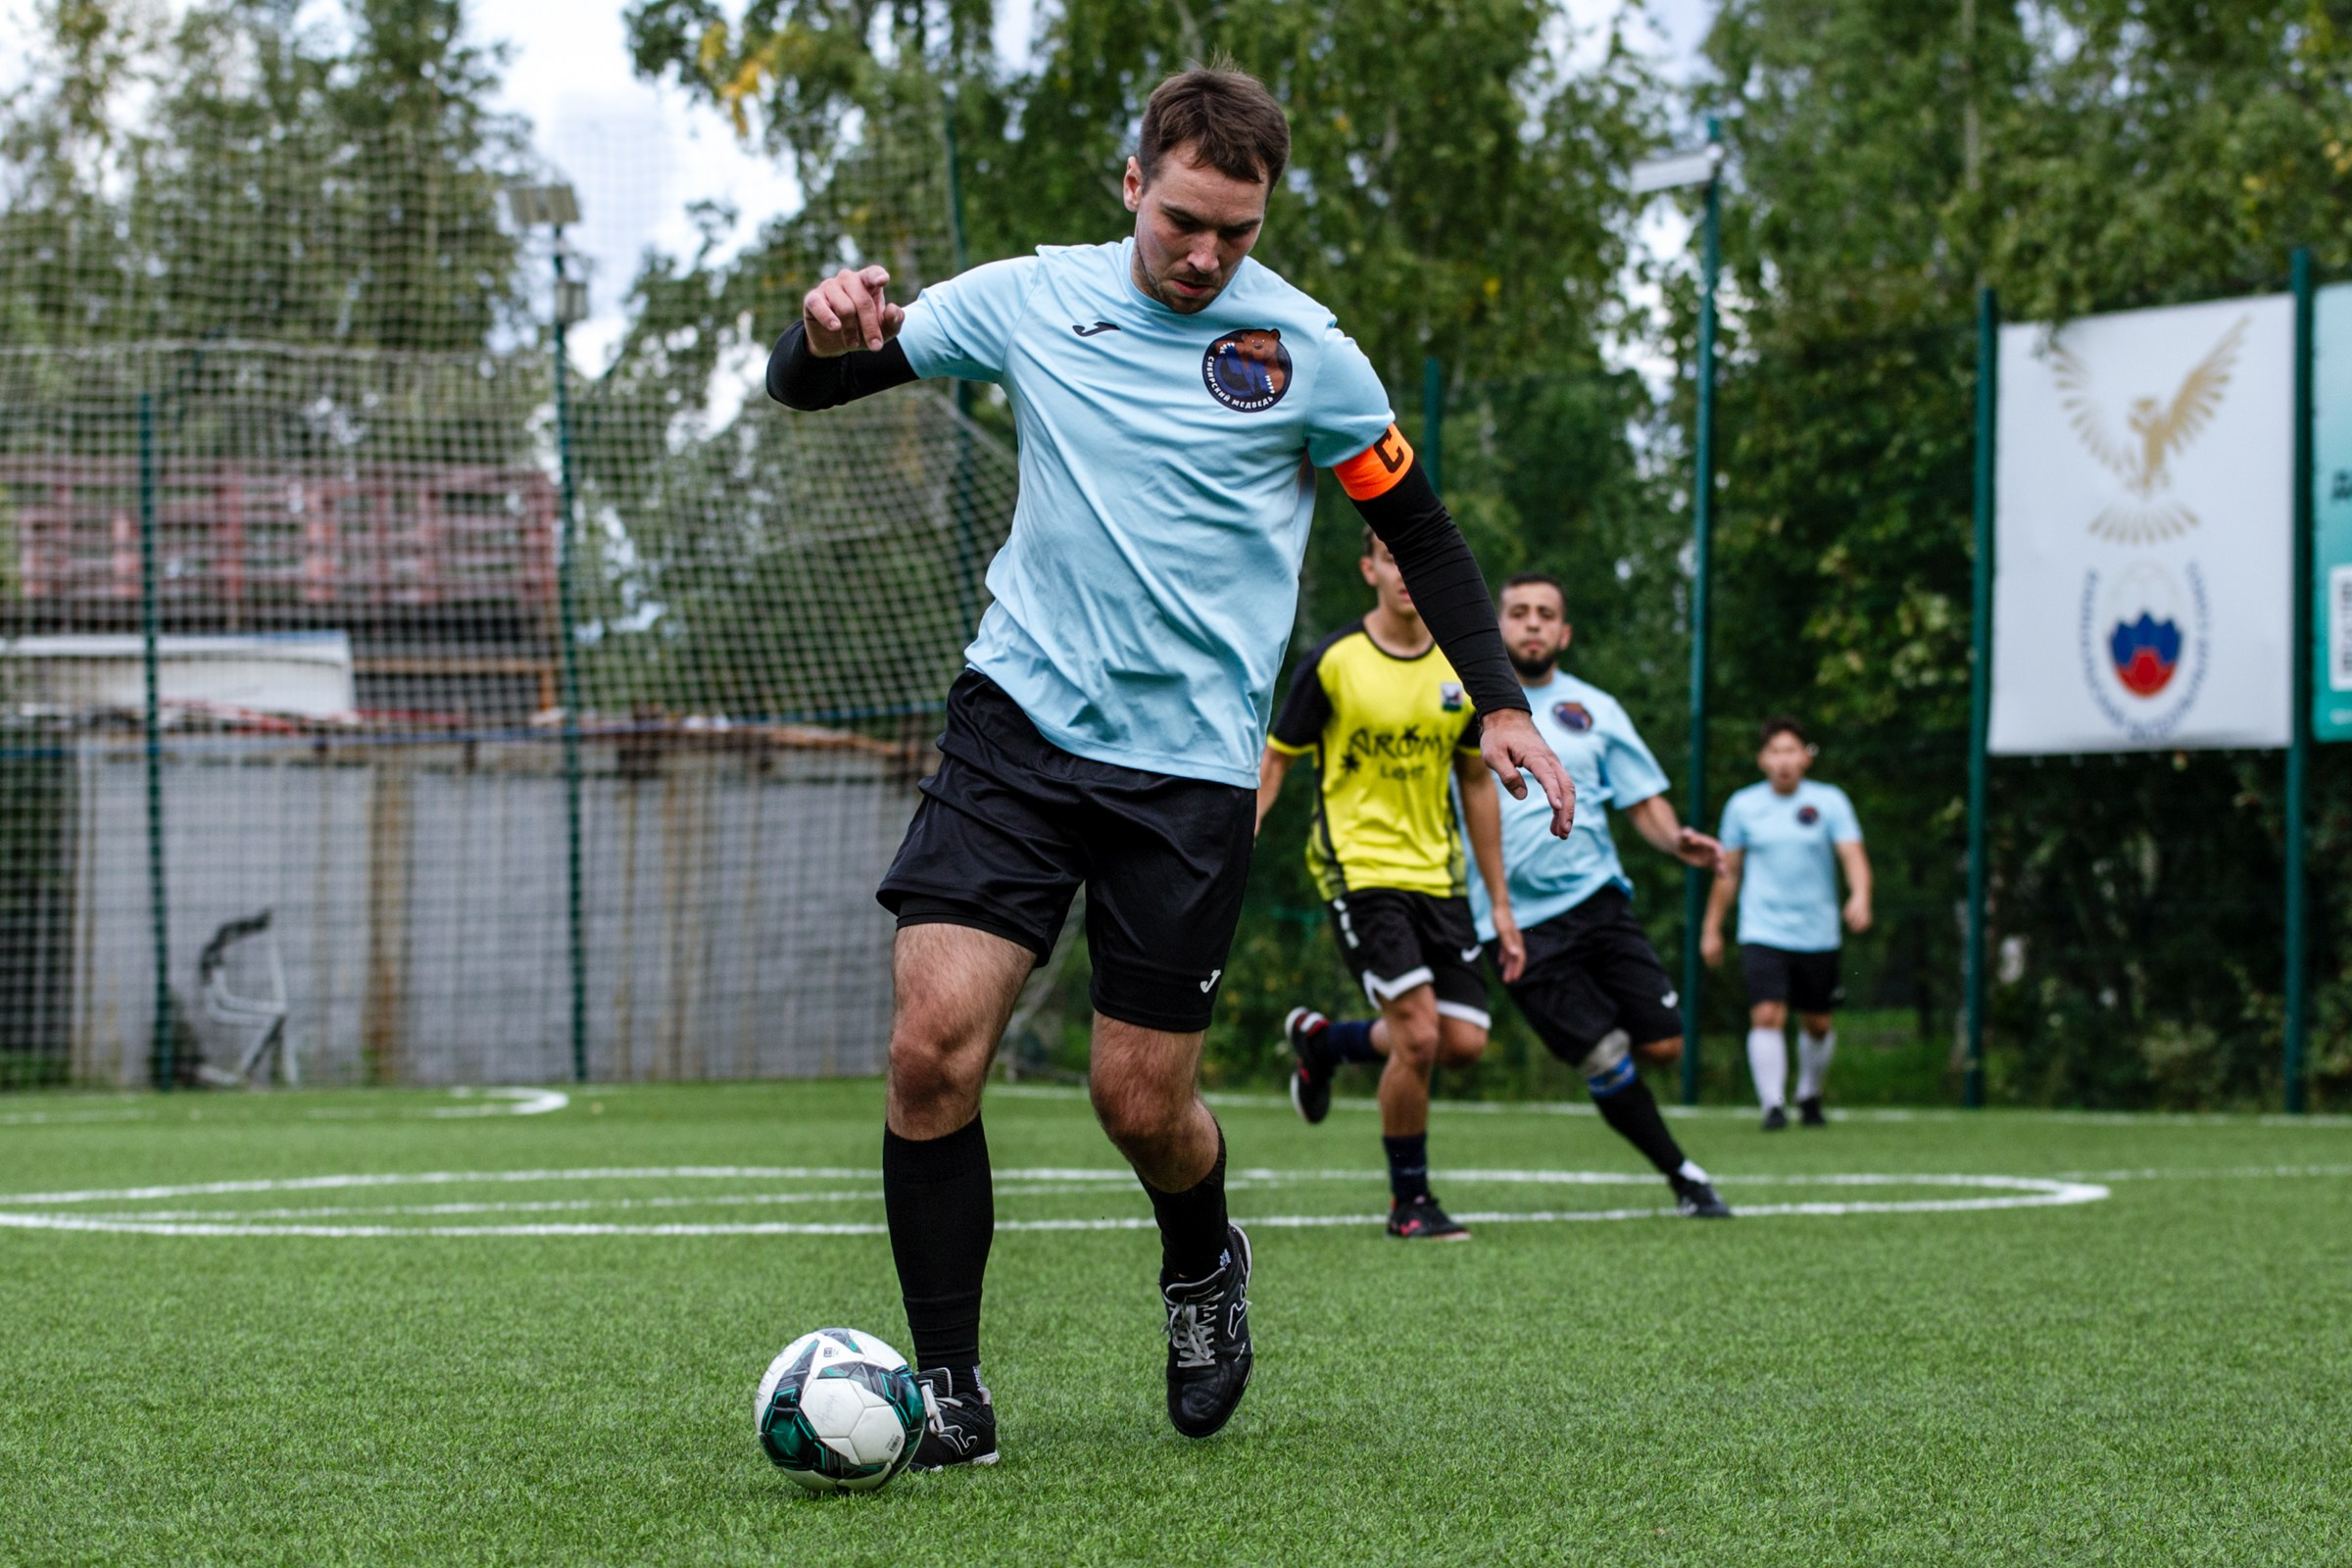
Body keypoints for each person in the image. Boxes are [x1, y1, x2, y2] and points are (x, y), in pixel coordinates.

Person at [767, 64, 1573, 1465]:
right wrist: (818, 328)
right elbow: (811, 385)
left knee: (1138, 1101)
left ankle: (1203, 1262)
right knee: (929, 1048)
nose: (1206, 255)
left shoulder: (1307, 352)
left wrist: (1500, 704)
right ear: (1133, 183)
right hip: (1017, 725)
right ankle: (950, 1392)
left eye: (1236, 232)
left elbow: (1423, 534)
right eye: (1183, 221)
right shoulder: (1029, 297)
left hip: (1188, 772)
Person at [1257, 531, 1523, 1242]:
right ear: (1368, 567)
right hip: (1359, 870)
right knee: (1419, 1036)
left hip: (1438, 876)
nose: (1405, 570)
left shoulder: (1458, 669)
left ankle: (1325, 1044)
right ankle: (1410, 1203)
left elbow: (1477, 783)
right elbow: (1275, 761)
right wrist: (1234, 839)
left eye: (1415, 554)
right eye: (1390, 555)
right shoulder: (1335, 662)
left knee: (1461, 1042)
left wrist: (1499, 902)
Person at [1470, 573, 1733, 1218]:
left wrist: (1677, 842)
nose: (1532, 623)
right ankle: (1685, 1177)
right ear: (1497, 626)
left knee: (1663, 1044)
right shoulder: (1462, 708)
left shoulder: (1596, 709)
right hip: (1517, 923)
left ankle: (1616, 1080)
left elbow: (1642, 800)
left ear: (1564, 633)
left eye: (1546, 613)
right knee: (1606, 1057)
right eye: (1519, 612)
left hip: (1599, 901)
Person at [1701, 716, 1871, 1129]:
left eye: (1791, 751)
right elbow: (1728, 872)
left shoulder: (1830, 801)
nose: (1783, 761)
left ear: (1805, 758)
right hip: (1763, 929)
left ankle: (1809, 1093)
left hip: (1818, 931)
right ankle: (1773, 1105)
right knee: (1766, 1013)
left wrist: (1860, 895)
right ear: (1762, 759)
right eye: (1775, 752)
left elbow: (1852, 855)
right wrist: (1712, 928)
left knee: (1818, 1023)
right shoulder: (1743, 806)